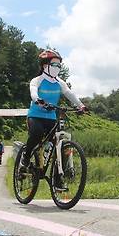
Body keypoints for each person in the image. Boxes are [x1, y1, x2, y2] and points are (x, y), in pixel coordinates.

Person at [21, 49, 88, 189]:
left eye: (59, 65)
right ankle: (25, 159)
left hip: (51, 117)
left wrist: (81, 106)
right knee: (37, 133)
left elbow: (69, 94)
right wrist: (37, 99)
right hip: (35, 116)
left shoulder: (60, 82)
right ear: (45, 65)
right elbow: (33, 91)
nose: (57, 68)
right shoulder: (37, 80)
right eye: (54, 65)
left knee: (61, 144)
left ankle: (57, 180)